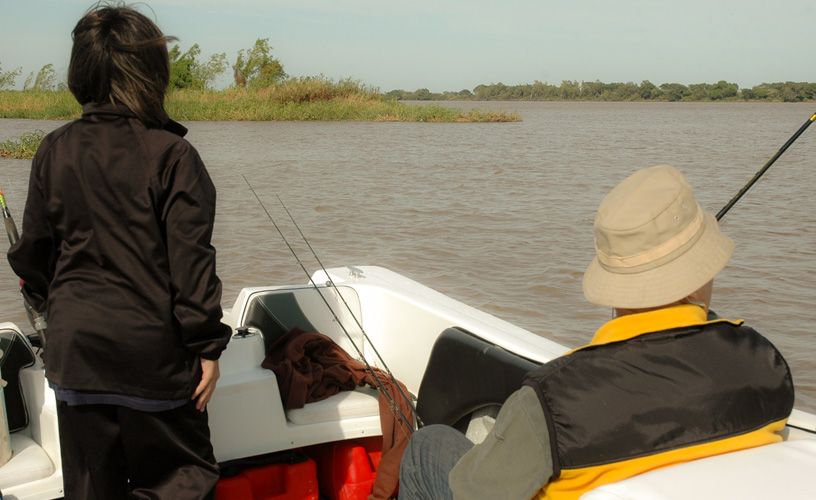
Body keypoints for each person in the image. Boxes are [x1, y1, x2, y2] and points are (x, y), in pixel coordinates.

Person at [398, 164, 794, 500]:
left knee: (427, 447)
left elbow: (473, 493)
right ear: (701, 273)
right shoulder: (765, 365)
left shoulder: (552, 401)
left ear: (614, 281)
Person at [6, 3, 232, 499]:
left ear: (80, 71)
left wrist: (54, 309)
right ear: (152, 73)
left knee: (91, 490)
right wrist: (208, 348)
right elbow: (192, 267)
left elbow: (33, 256)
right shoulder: (173, 155)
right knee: (182, 483)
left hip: (76, 356)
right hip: (153, 361)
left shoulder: (53, 149)